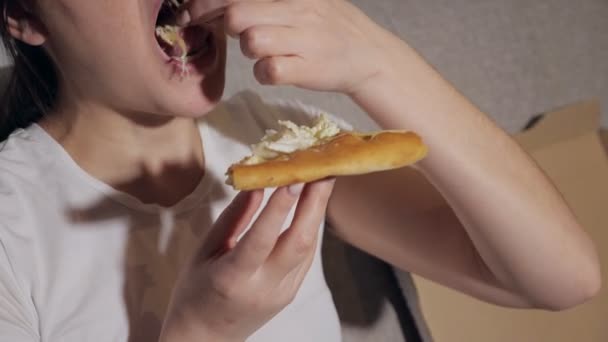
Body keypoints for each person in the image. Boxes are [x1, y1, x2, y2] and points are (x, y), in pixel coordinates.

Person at [0, 0, 601, 341]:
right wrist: (205, 331)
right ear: (25, 17)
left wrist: (378, 62)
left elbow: (561, 279)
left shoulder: (276, 139)